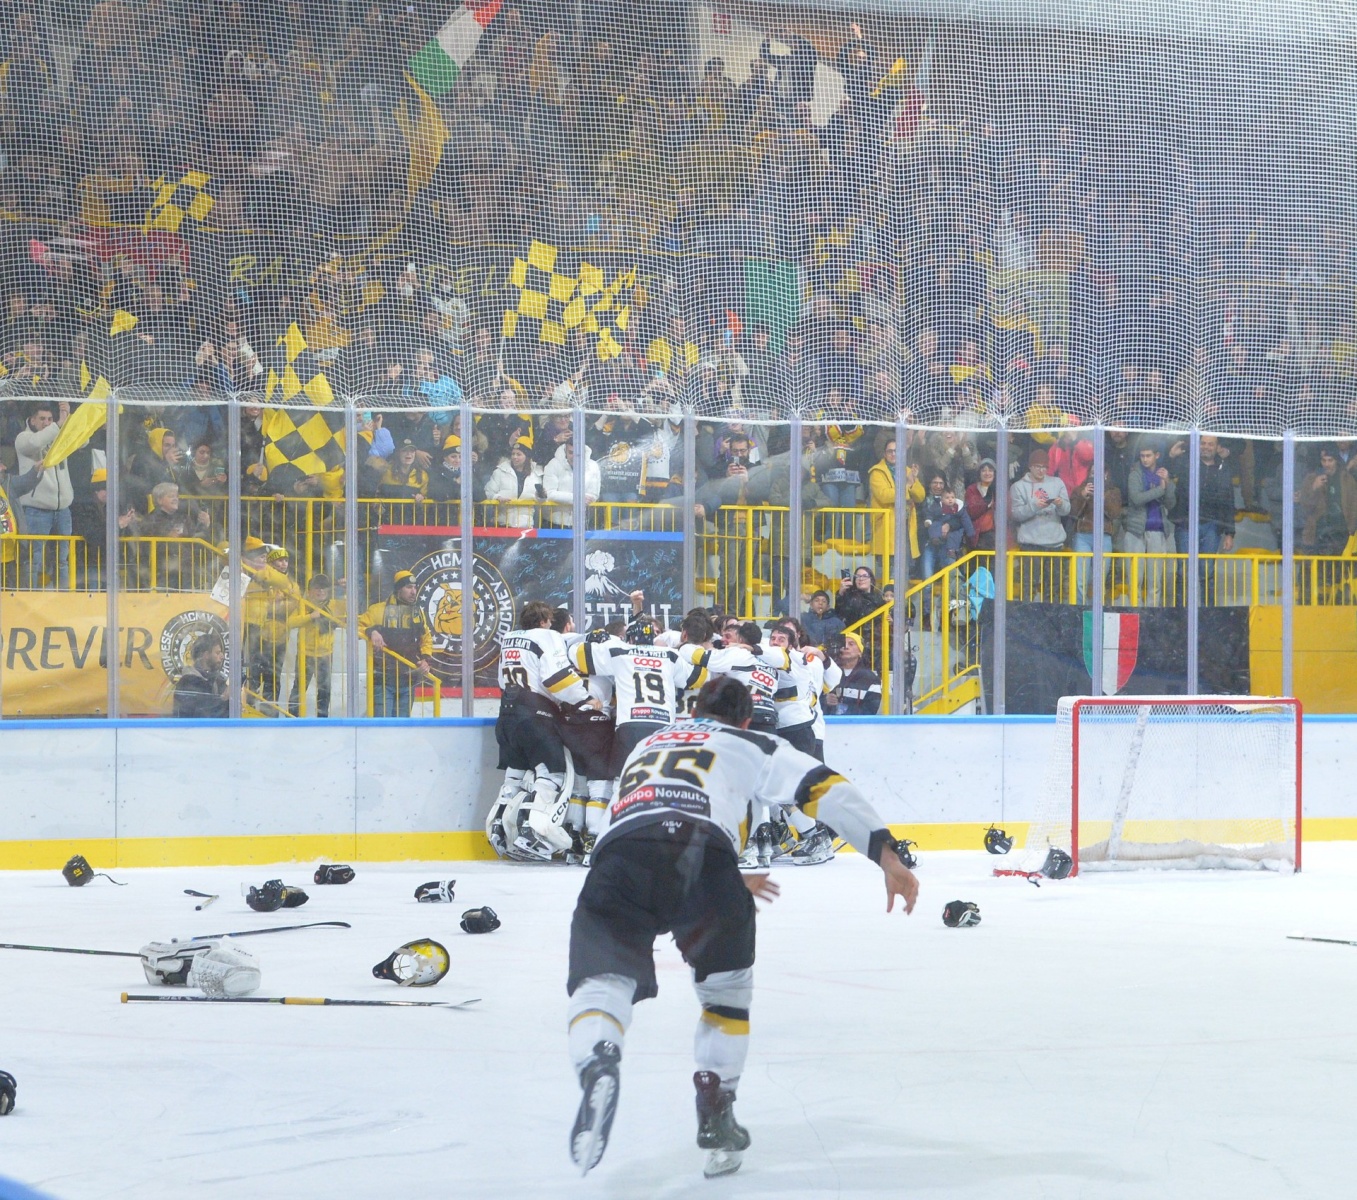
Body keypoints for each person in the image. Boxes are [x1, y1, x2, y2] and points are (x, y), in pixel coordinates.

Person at [565, 675, 918, 1177]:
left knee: (602, 978)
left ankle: (598, 1058)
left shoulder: (649, 740)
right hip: (703, 856)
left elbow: (657, 808)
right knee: (725, 993)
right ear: (747, 718)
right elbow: (823, 789)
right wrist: (886, 855)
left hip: (620, 856)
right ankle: (717, 1107)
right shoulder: (751, 741)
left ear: (691, 709)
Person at [487, 599, 598, 860]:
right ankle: (530, 832)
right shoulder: (547, 636)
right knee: (551, 774)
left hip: (506, 716)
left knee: (515, 776)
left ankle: (500, 830)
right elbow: (557, 678)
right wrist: (584, 699)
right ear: (544, 621)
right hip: (535, 716)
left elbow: (502, 678)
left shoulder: (509, 638)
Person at [357, 569, 434, 717]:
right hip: (383, 680)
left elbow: (427, 639)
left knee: (402, 729)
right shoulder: (377, 610)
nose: (414, 591)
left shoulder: (418, 613)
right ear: (399, 589)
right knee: (382, 728)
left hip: (408, 680)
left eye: (415, 587)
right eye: (409, 587)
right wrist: (371, 631)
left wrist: (426, 658)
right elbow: (356, 626)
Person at [14, 400, 73, 587]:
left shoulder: (57, 435)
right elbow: (36, 442)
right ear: (31, 420)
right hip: (35, 510)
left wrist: (69, 419)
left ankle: (63, 600)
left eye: (49, 419)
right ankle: (29, 601)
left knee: (62, 560)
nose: (47, 423)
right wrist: (58, 424)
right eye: (42, 419)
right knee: (33, 560)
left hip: (63, 510)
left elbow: (82, 441)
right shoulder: (23, 438)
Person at [1009, 447, 1071, 602]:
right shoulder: (1018, 486)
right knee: (1028, 587)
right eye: (1038, 466)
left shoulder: (1057, 483)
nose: (1041, 470)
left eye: (1044, 467)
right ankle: (1027, 622)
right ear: (1030, 466)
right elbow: (1016, 514)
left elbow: (1067, 510)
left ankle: (1053, 624)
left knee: (1054, 588)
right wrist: (1034, 506)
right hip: (1030, 545)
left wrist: (1060, 504)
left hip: (1054, 544)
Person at [1123, 441, 1176, 606]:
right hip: (1135, 530)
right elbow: (1137, 499)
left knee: (1155, 580)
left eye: (1148, 456)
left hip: (1158, 529)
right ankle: (1135, 614)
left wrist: (1168, 484)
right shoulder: (1135, 474)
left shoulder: (1162, 474)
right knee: (1135, 579)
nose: (1145, 459)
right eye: (1142, 456)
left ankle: (1153, 614)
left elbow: (1171, 503)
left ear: (1157, 456)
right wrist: (1160, 490)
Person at [287, 574, 338, 717]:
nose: (321, 591)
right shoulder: (303, 605)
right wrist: (311, 616)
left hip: (326, 654)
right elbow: (290, 623)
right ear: (309, 591)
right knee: (299, 688)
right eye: (317, 588)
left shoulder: (333, 605)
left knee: (324, 690)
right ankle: (292, 717)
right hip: (306, 654)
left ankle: (322, 719)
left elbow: (351, 611)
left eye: (323, 588)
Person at [834, 566, 886, 672]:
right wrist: (840, 593)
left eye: (864, 576)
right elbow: (840, 613)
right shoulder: (849, 596)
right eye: (857, 576)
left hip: (875, 639)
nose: (861, 579)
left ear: (871, 579)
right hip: (855, 638)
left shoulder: (879, 599)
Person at [485, 436, 544, 528]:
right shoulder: (500, 471)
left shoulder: (536, 474)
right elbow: (488, 491)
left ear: (527, 456)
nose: (514, 457)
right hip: (502, 523)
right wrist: (497, 497)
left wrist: (541, 495)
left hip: (525, 526)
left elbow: (541, 500)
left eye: (518, 454)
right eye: (513, 454)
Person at [172, 633, 229, 718]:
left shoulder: (217, 680)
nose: (222, 656)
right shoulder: (188, 682)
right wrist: (223, 699)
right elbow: (201, 712)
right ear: (206, 655)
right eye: (217, 653)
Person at [824, 632, 882, 715]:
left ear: (860, 652)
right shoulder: (829, 673)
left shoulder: (871, 679)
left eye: (851, 644)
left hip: (857, 726)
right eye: (843, 644)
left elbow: (871, 710)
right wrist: (825, 701)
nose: (846, 647)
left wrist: (845, 713)